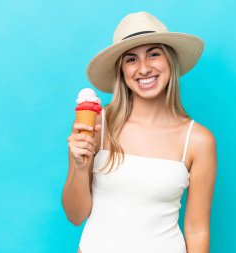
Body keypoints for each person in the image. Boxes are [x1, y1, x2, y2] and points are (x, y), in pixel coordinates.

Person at [62, 11, 217, 253]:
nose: (143, 69)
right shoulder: (96, 124)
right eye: (131, 59)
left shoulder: (198, 141)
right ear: (121, 71)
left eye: (154, 54)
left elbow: (197, 230)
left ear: (170, 61)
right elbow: (75, 216)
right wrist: (81, 168)